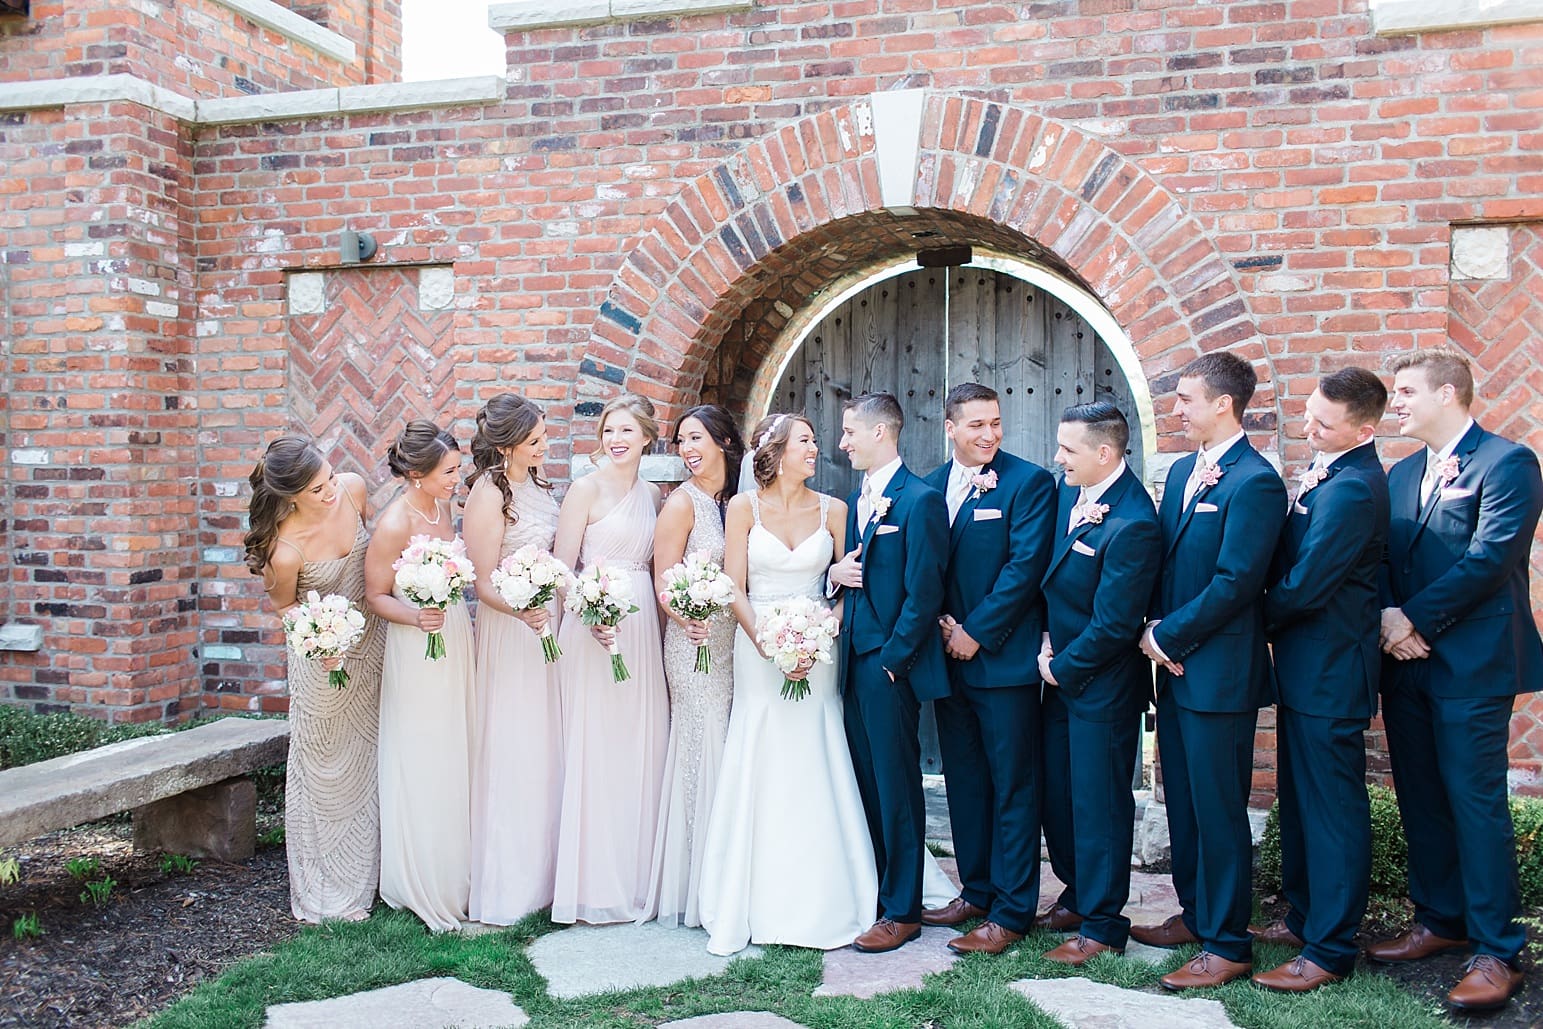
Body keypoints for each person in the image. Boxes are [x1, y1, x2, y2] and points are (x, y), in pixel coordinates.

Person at [1369, 348, 1542, 1012]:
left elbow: (1489, 559)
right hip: (1404, 660)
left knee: (1475, 801)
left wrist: (1410, 617)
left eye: (1407, 391)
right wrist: (1389, 618)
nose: (1397, 403)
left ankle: (1497, 949)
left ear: (1448, 393)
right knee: (1419, 794)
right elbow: (1381, 556)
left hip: (1472, 664)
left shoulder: (1507, 463)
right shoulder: (1401, 473)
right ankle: (1439, 919)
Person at [1133, 352, 1286, 989]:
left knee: (1220, 810)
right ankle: (1196, 915)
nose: (1177, 410)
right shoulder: (1181, 473)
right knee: (1185, 802)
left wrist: (1166, 635)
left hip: (1220, 674)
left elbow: (1237, 583)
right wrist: (1149, 629)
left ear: (1223, 404)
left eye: (1186, 400)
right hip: (1173, 670)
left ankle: (1228, 943)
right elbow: (1166, 562)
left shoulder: (1256, 482)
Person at [697, 413, 875, 954]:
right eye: (805, 441)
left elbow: (850, 586)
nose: (816, 448)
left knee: (816, 746)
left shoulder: (835, 510)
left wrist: (823, 632)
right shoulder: (743, 509)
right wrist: (768, 644)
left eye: (815, 441)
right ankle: (754, 893)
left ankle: (830, 886)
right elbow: (734, 585)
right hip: (759, 648)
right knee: (763, 746)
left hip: (819, 647)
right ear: (775, 452)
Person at [1251, 368, 1390, 992]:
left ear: (1363, 431)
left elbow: (1308, 584)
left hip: (1332, 671)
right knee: (1302, 801)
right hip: (1307, 668)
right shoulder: (1330, 470)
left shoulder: (1354, 488)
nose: (1308, 428)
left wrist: (1249, 616)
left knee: (1332, 810)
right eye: (1309, 414)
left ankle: (1330, 948)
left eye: (1323, 423)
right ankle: (1304, 918)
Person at [920, 382, 1056, 956]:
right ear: (950, 427)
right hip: (947, 660)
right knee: (966, 782)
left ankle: (1012, 909)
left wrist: (975, 633)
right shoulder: (929, 486)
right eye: (976, 425)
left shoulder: (1029, 483)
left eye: (995, 423)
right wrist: (942, 626)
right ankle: (975, 891)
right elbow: (925, 569)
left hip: (1003, 663)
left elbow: (1024, 569)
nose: (989, 434)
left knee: (1013, 787)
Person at [1037, 402, 1161, 966]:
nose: (1058, 457)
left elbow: (1115, 624)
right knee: (1060, 798)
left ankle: (1105, 924)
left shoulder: (1133, 522)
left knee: (1100, 807)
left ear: (1105, 453)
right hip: (1062, 677)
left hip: (1102, 688)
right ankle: (1079, 894)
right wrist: (1046, 642)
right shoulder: (1073, 495)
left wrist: (1060, 667)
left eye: (1069, 449)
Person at [828, 392, 950, 953]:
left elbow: (925, 592)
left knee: (896, 785)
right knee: (868, 784)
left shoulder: (920, 500)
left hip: (888, 666)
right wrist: (835, 577)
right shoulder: (858, 499)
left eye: (850, 432)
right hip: (851, 662)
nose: (843, 442)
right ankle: (877, 894)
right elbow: (854, 576)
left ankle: (903, 911)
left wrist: (894, 661)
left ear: (881, 432)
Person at [245, 436, 384, 924]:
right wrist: (321, 642)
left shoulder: (354, 489)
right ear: (290, 496)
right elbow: (284, 607)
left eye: (328, 478)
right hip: (322, 662)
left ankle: (384, 873)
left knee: (377, 755)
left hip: (374, 645)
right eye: (316, 489)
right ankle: (329, 883)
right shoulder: (283, 550)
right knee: (327, 770)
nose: (330, 491)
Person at [550, 394, 669, 925]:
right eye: (608, 431)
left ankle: (637, 878)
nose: (615, 440)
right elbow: (561, 568)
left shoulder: (653, 494)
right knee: (596, 744)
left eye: (625, 431)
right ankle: (591, 883)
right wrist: (589, 611)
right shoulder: (585, 489)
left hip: (639, 625)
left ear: (647, 437)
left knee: (638, 743)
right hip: (593, 624)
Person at [363, 420, 475, 933]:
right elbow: (375, 596)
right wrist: (415, 616)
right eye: (448, 471)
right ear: (416, 474)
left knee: (454, 748)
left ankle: (458, 868)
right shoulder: (394, 523)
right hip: (416, 645)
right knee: (424, 752)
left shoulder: (442, 507)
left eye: (457, 468)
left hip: (453, 636)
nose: (457, 478)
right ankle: (421, 877)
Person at [640, 404, 745, 927]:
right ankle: (699, 883)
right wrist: (688, 618)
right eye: (681, 440)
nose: (686, 449)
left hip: (735, 645)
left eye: (696, 438)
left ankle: (733, 872)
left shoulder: (741, 500)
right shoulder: (681, 504)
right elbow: (663, 580)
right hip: (693, 644)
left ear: (723, 441)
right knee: (702, 745)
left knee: (732, 746)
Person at [463, 395, 563, 926]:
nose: (544, 446)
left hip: (545, 625)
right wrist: (524, 609)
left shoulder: (539, 486)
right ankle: (509, 885)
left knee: (545, 745)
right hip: (511, 629)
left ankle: (546, 879)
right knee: (515, 745)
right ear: (506, 446)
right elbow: (482, 583)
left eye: (544, 436)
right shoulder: (487, 493)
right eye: (534, 440)